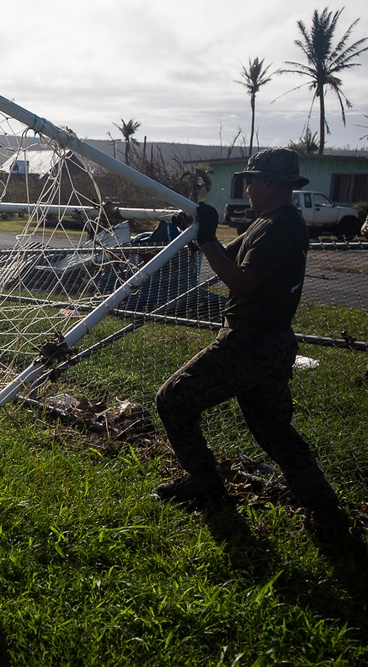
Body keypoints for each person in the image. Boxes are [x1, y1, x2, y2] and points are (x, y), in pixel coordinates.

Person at [154, 148, 354, 540]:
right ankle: (327, 513)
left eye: (250, 179)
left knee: (174, 400)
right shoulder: (269, 221)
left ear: (268, 183)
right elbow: (219, 255)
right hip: (267, 342)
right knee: (275, 431)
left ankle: (205, 481)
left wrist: (208, 237)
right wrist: (194, 229)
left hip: (251, 341)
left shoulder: (281, 226)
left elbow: (242, 281)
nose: (245, 187)